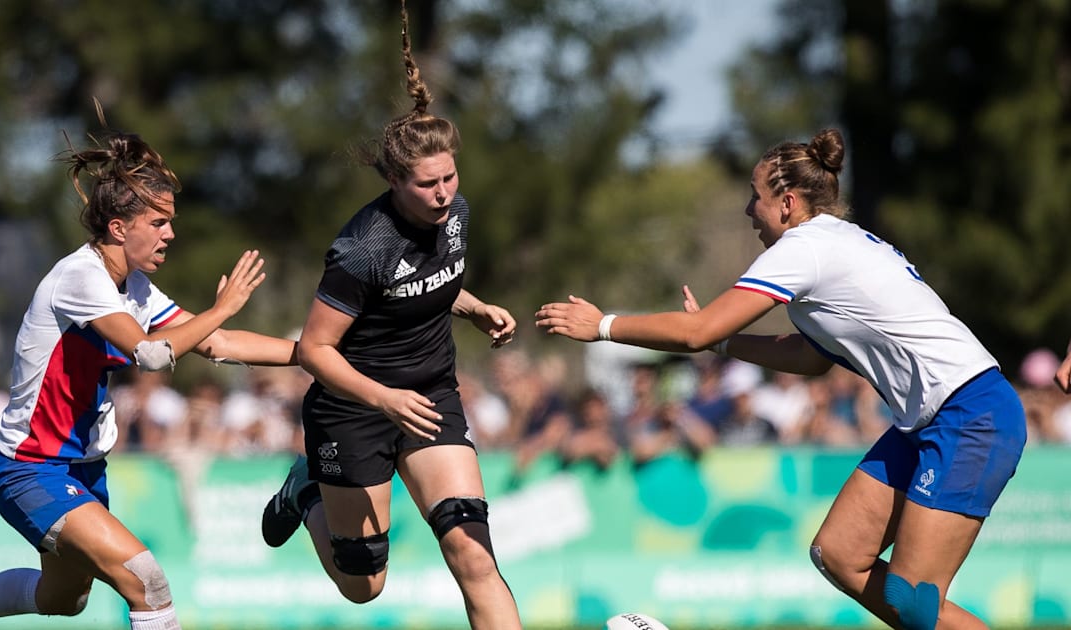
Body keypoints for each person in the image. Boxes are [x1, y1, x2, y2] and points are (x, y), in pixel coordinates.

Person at [536, 128, 1027, 630]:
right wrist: (721, 343)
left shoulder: (803, 249)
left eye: (756, 196)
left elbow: (696, 331)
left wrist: (603, 326)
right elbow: (812, 358)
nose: (750, 210)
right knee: (838, 553)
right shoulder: (833, 243)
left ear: (788, 202)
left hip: (971, 414)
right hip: (931, 419)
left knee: (911, 597)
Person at [0, 108, 299, 630]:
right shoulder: (81, 277)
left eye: (170, 222)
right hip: (30, 469)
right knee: (147, 581)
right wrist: (220, 308)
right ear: (119, 228)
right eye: (158, 222)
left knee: (64, 600)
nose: (169, 234)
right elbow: (152, 354)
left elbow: (220, 344)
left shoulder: (134, 287)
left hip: (81, 469)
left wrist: (312, 357)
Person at [258, 4, 522, 628]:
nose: (443, 193)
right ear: (394, 182)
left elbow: (427, 285)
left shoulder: (455, 214)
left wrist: (475, 305)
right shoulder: (362, 249)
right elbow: (315, 351)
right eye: (427, 185)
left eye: (449, 177)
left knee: (471, 551)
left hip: (430, 396)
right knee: (365, 584)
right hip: (353, 409)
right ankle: (306, 489)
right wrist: (382, 399)